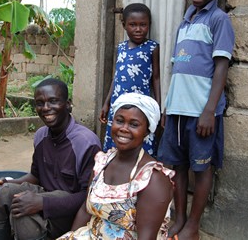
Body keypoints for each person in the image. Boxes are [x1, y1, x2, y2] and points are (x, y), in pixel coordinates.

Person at [157, 0, 235, 240]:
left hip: (201, 111)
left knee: (201, 170)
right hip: (178, 109)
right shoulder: (185, 22)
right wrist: (168, 106)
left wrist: (209, 110)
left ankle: (193, 225)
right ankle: (178, 218)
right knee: (177, 166)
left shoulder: (219, 20)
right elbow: (177, 69)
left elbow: (221, 67)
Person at [0, 78, 102, 240]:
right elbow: (35, 176)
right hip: (45, 196)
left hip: (70, 212)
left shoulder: (86, 142)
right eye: (39, 103)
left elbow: (88, 198)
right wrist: (6, 183)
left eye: (53, 101)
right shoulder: (41, 135)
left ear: (67, 104)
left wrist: (42, 203)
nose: (46, 108)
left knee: (22, 213)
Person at [58, 92, 174, 240]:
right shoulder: (102, 163)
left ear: (147, 131)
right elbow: (85, 210)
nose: (124, 128)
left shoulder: (152, 179)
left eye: (134, 124)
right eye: (119, 121)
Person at [99, 3, 161, 156]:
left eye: (143, 25)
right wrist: (107, 103)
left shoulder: (152, 47)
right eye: (133, 25)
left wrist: (157, 107)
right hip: (118, 104)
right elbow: (116, 76)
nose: (138, 29)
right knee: (117, 140)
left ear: (149, 25)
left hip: (141, 106)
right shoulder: (120, 48)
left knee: (139, 139)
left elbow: (156, 78)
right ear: (124, 25)